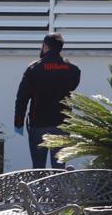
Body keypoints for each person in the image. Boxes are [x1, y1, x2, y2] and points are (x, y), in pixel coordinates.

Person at [14, 32, 81, 169]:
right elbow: (73, 86)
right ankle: (59, 191)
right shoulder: (72, 69)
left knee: (39, 168)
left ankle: (39, 191)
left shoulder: (34, 68)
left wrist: (18, 122)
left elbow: (22, 98)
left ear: (45, 46)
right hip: (62, 124)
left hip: (38, 125)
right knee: (59, 168)